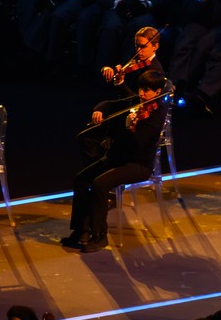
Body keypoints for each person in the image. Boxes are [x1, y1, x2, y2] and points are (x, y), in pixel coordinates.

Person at [61, 69, 168, 253]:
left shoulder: (155, 117)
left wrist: (131, 126)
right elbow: (110, 104)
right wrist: (99, 111)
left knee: (100, 184)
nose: (142, 94)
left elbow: (138, 146)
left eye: (147, 91)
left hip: (138, 164)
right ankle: (80, 231)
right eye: (141, 89)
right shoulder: (137, 103)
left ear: (157, 92)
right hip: (119, 157)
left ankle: (99, 236)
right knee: (81, 179)